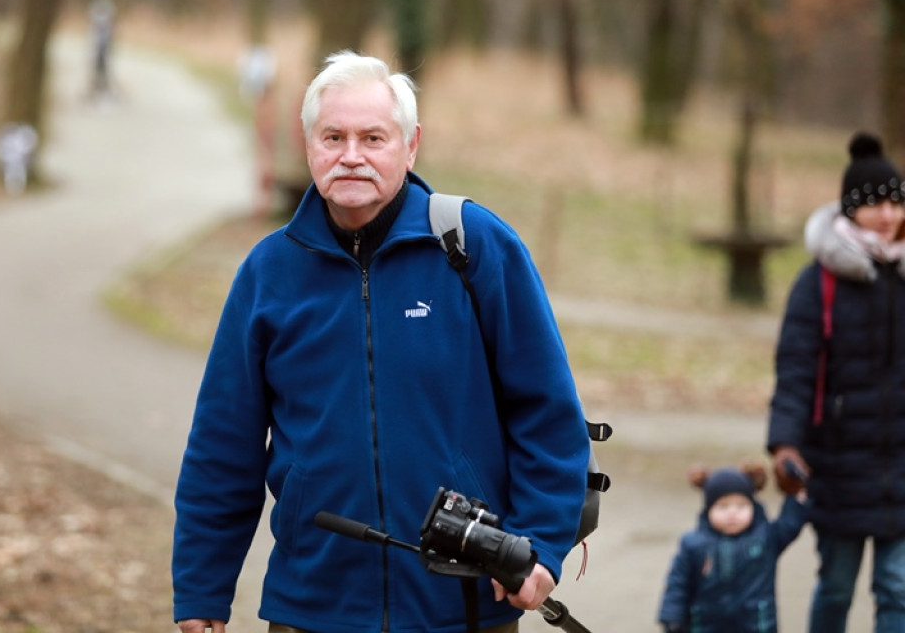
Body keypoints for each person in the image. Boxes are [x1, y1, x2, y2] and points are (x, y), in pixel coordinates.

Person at [172, 51, 591, 633]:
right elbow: (223, 446)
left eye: (373, 138)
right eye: (333, 137)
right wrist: (201, 591)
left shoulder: (474, 247)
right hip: (312, 607)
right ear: (308, 143)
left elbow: (547, 411)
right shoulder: (268, 274)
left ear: (411, 145)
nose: (351, 156)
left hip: (462, 604)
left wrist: (542, 545)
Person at [768, 130, 905, 633]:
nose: (889, 215)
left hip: (901, 462)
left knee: (898, 587)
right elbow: (796, 367)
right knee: (838, 585)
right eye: (876, 205)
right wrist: (785, 442)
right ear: (850, 210)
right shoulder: (819, 281)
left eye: (896, 202)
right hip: (840, 462)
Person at [657, 463, 808, 633]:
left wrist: (796, 495)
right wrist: (672, 616)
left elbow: (790, 523)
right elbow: (678, 583)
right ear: (708, 510)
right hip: (706, 625)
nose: (732, 513)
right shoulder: (693, 544)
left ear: (753, 507)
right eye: (723, 506)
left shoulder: (766, 539)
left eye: (741, 506)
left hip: (756, 623)